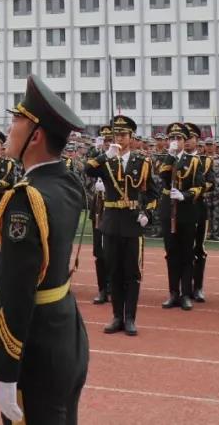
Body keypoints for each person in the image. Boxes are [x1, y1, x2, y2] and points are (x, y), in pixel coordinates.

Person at [0, 74, 89, 424]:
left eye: (17, 120)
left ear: (36, 135)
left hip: (36, 346)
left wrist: (5, 369)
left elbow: (16, 292)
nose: (8, 128)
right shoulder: (67, 182)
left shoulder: (25, 201)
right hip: (65, 330)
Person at [84, 115, 152, 336]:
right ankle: (116, 316)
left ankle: (130, 317)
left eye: (124, 135)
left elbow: (152, 193)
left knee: (132, 273)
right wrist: (106, 155)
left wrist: (147, 213)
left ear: (132, 137)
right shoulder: (107, 160)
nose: (120, 138)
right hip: (111, 222)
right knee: (113, 271)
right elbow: (88, 170)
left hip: (132, 222)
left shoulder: (142, 162)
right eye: (117, 135)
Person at [157, 123, 204, 311]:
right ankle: (173, 293)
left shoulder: (194, 161)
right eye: (172, 138)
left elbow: (199, 186)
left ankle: (185, 294)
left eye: (179, 139)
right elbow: (163, 176)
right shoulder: (166, 159)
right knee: (171, 253)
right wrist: (170, 153)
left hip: (186, 210)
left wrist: (185, 195)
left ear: (185, 141)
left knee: (186, 253)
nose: (175, 142)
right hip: (169, 209)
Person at [187, 123, 214, 302]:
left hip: (197, 207)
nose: (187, 142)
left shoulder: (206, 161)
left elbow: (210, 183)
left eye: (190, 138)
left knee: (198, 248)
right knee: (181, 250)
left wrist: (194, 190)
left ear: (197, 140)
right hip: (178, 210)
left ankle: (197, 288)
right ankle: (182, 288)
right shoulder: (173, 160)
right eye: (184, 138)